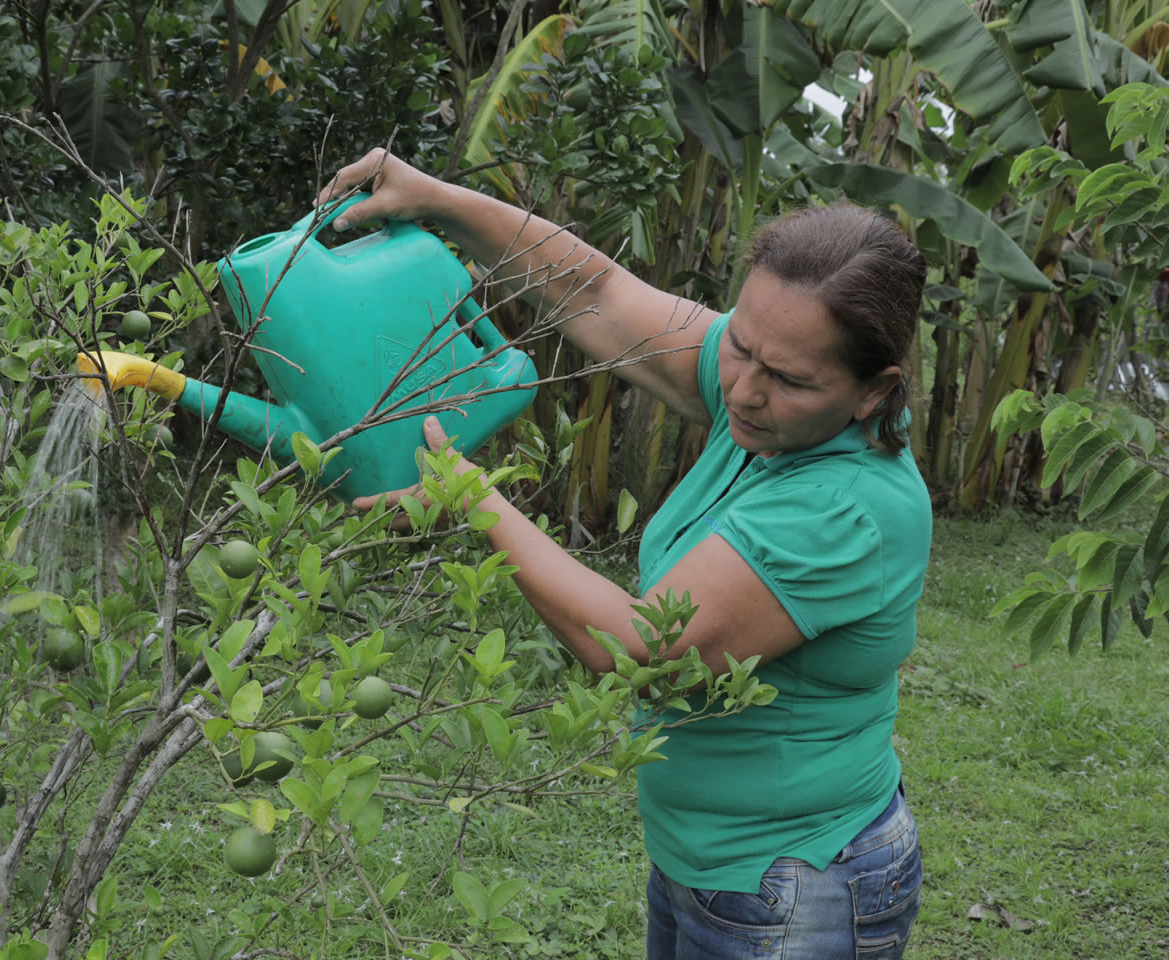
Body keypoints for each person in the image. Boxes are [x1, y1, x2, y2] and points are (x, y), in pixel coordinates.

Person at [317, 148, 932, 960]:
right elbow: (602, 293)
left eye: (786, 378)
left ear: (874, 392)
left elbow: (640, 649)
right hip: (708, 862)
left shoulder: (846, 507)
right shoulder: (774, 400)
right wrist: (440, 200)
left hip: (794, 885)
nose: (743, 388)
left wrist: (476, 503)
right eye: (739, 346)